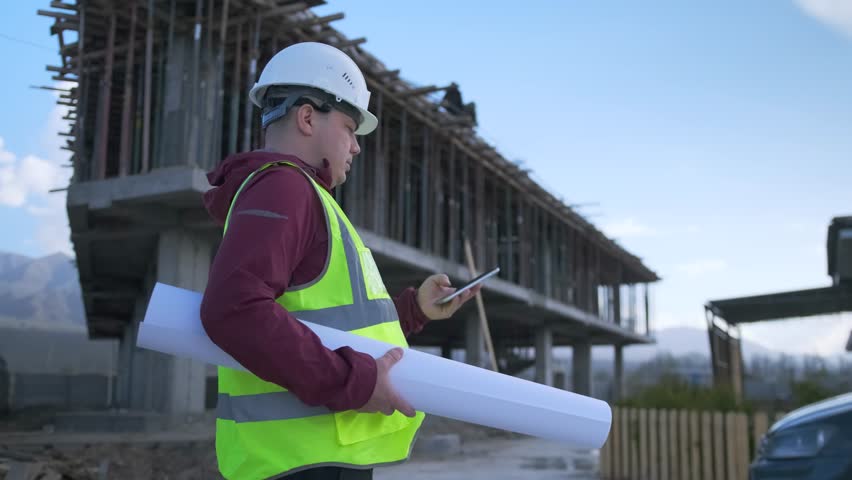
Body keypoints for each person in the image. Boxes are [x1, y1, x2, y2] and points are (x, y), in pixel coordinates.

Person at [200, 42, 479, 480]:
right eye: (350, 128)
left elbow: (334, 325)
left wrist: (414, 310)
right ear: (308, 117)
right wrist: (356, 382)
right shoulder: (285, 189)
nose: (356, 147)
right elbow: (234, 310)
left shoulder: (306, 198)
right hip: (300, 464)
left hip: (312, 459)